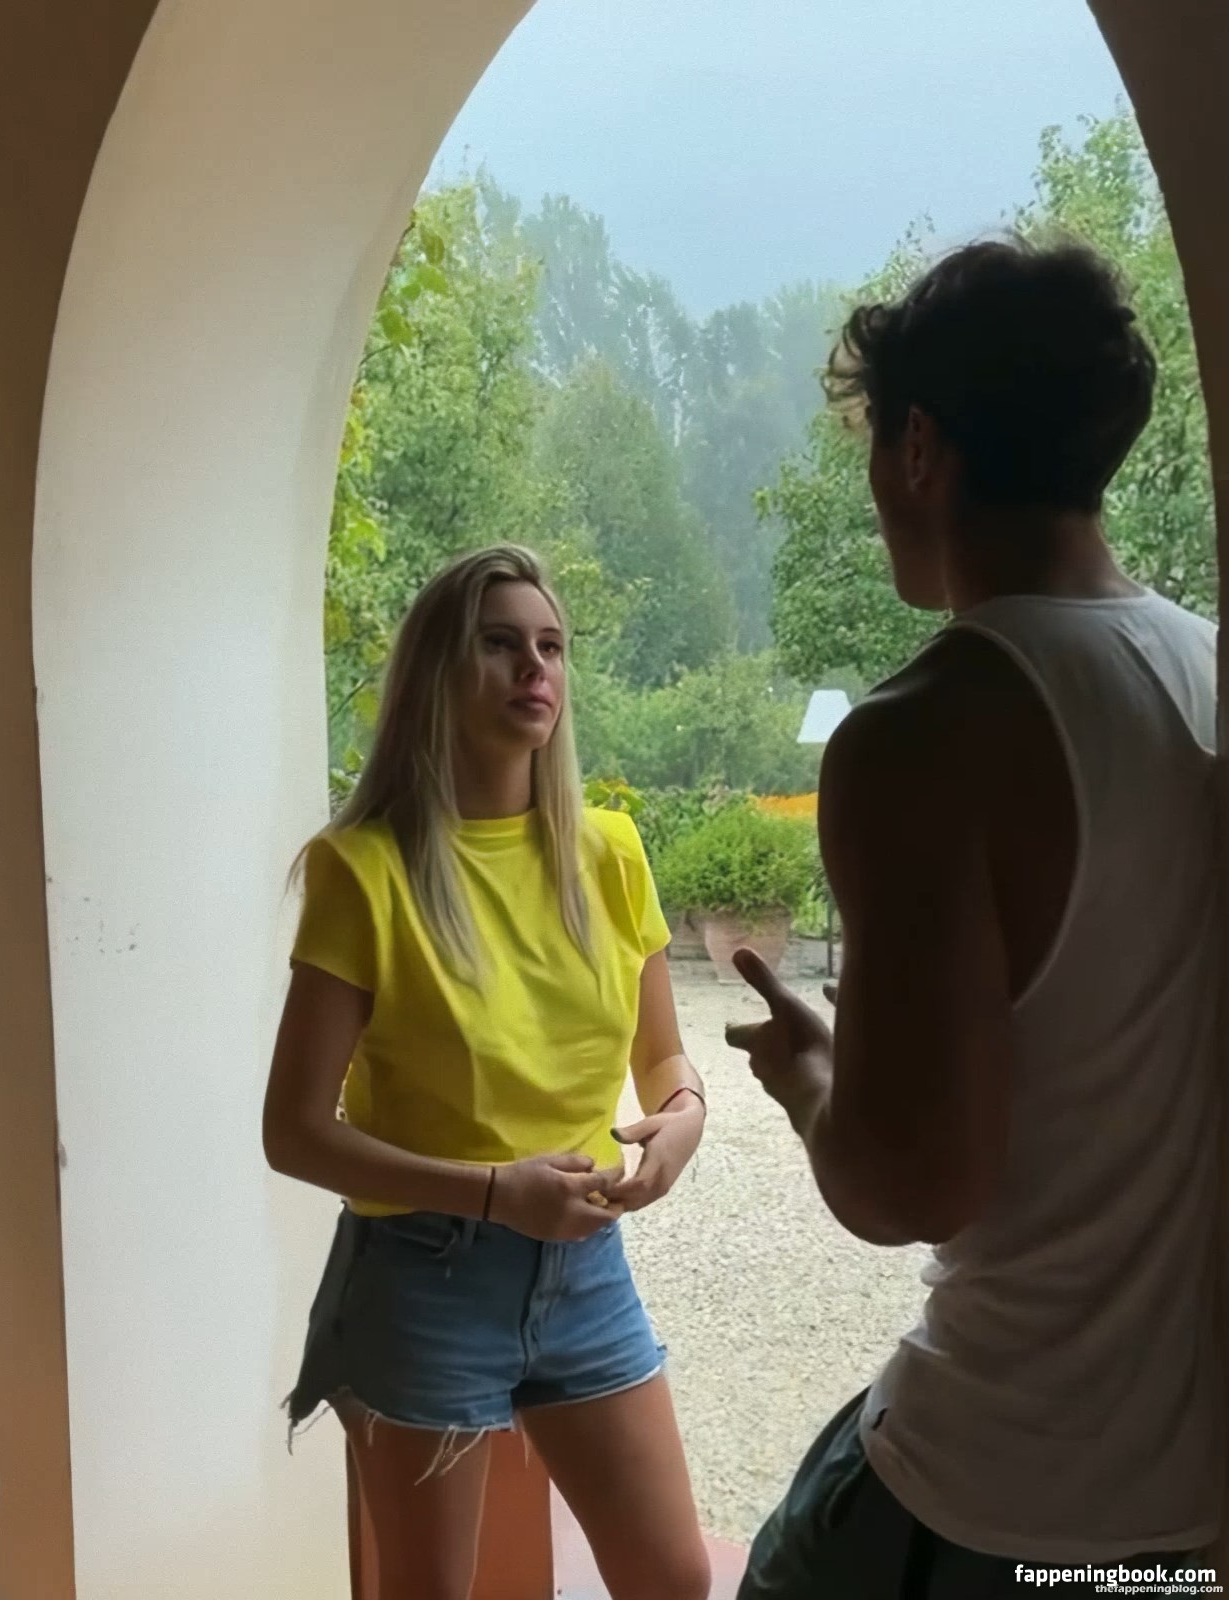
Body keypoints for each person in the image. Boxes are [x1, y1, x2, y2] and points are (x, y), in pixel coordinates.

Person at [728, 239, 1223, 1597]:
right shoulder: (1203, 666)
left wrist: (811, 1073)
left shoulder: (928, 731)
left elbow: (908, 1187)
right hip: (1173, 1513)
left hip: (989, 1488)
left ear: (919, 447)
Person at [262, 544, 711, 1600]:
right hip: (424, 1274)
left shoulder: (609, 852)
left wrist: (685, 1113)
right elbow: (294, 1130)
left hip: (586, 1268)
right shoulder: (363, 869)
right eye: (501, 644)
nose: (534, 668)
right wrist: (495, 1192)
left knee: (674, 1577)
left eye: (551, 646)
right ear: (437, 673)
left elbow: (661, 1054)